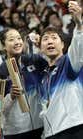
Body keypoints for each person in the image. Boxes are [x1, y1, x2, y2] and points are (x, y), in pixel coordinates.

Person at [0, 28, 47, 139]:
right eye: (11, 39)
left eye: (19, 38)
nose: (17, 42)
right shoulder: (0, 73)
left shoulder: (34, 60)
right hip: (16, 131)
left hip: (41, 125)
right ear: (3, 46)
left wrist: (40, 45)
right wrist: (10, 96)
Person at [39, 1, 83, 139]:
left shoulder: (69, 62)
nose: (50, 41)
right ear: (40, 47)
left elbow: (78, 46)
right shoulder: (44, 76)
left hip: (73, 128)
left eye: (54, 38)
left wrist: (79, 25)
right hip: (52, 132)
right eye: (45, 39)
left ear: (63, 44)